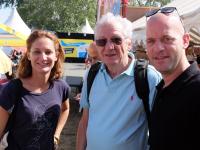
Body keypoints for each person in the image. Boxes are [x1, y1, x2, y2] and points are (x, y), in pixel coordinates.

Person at [76, 12, 161, 150]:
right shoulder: (91, 74)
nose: (109, 47)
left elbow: (161, 130)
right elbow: (84, 121)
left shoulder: (149, 78)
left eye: (116, 40)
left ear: (129, 43)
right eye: (102, 41)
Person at [0, 30, 70, 149]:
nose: (43, 57)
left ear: (56, 55)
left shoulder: (61, 87)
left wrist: (56, 135)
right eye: (37, 52)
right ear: (28, 55)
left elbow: (65, 109)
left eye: (48, 52)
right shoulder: (14, 89)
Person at [145, 7, 200, 150]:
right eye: (151, 41)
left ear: (185, 41)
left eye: (167, 39)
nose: (158, 48)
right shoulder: (162, 88)